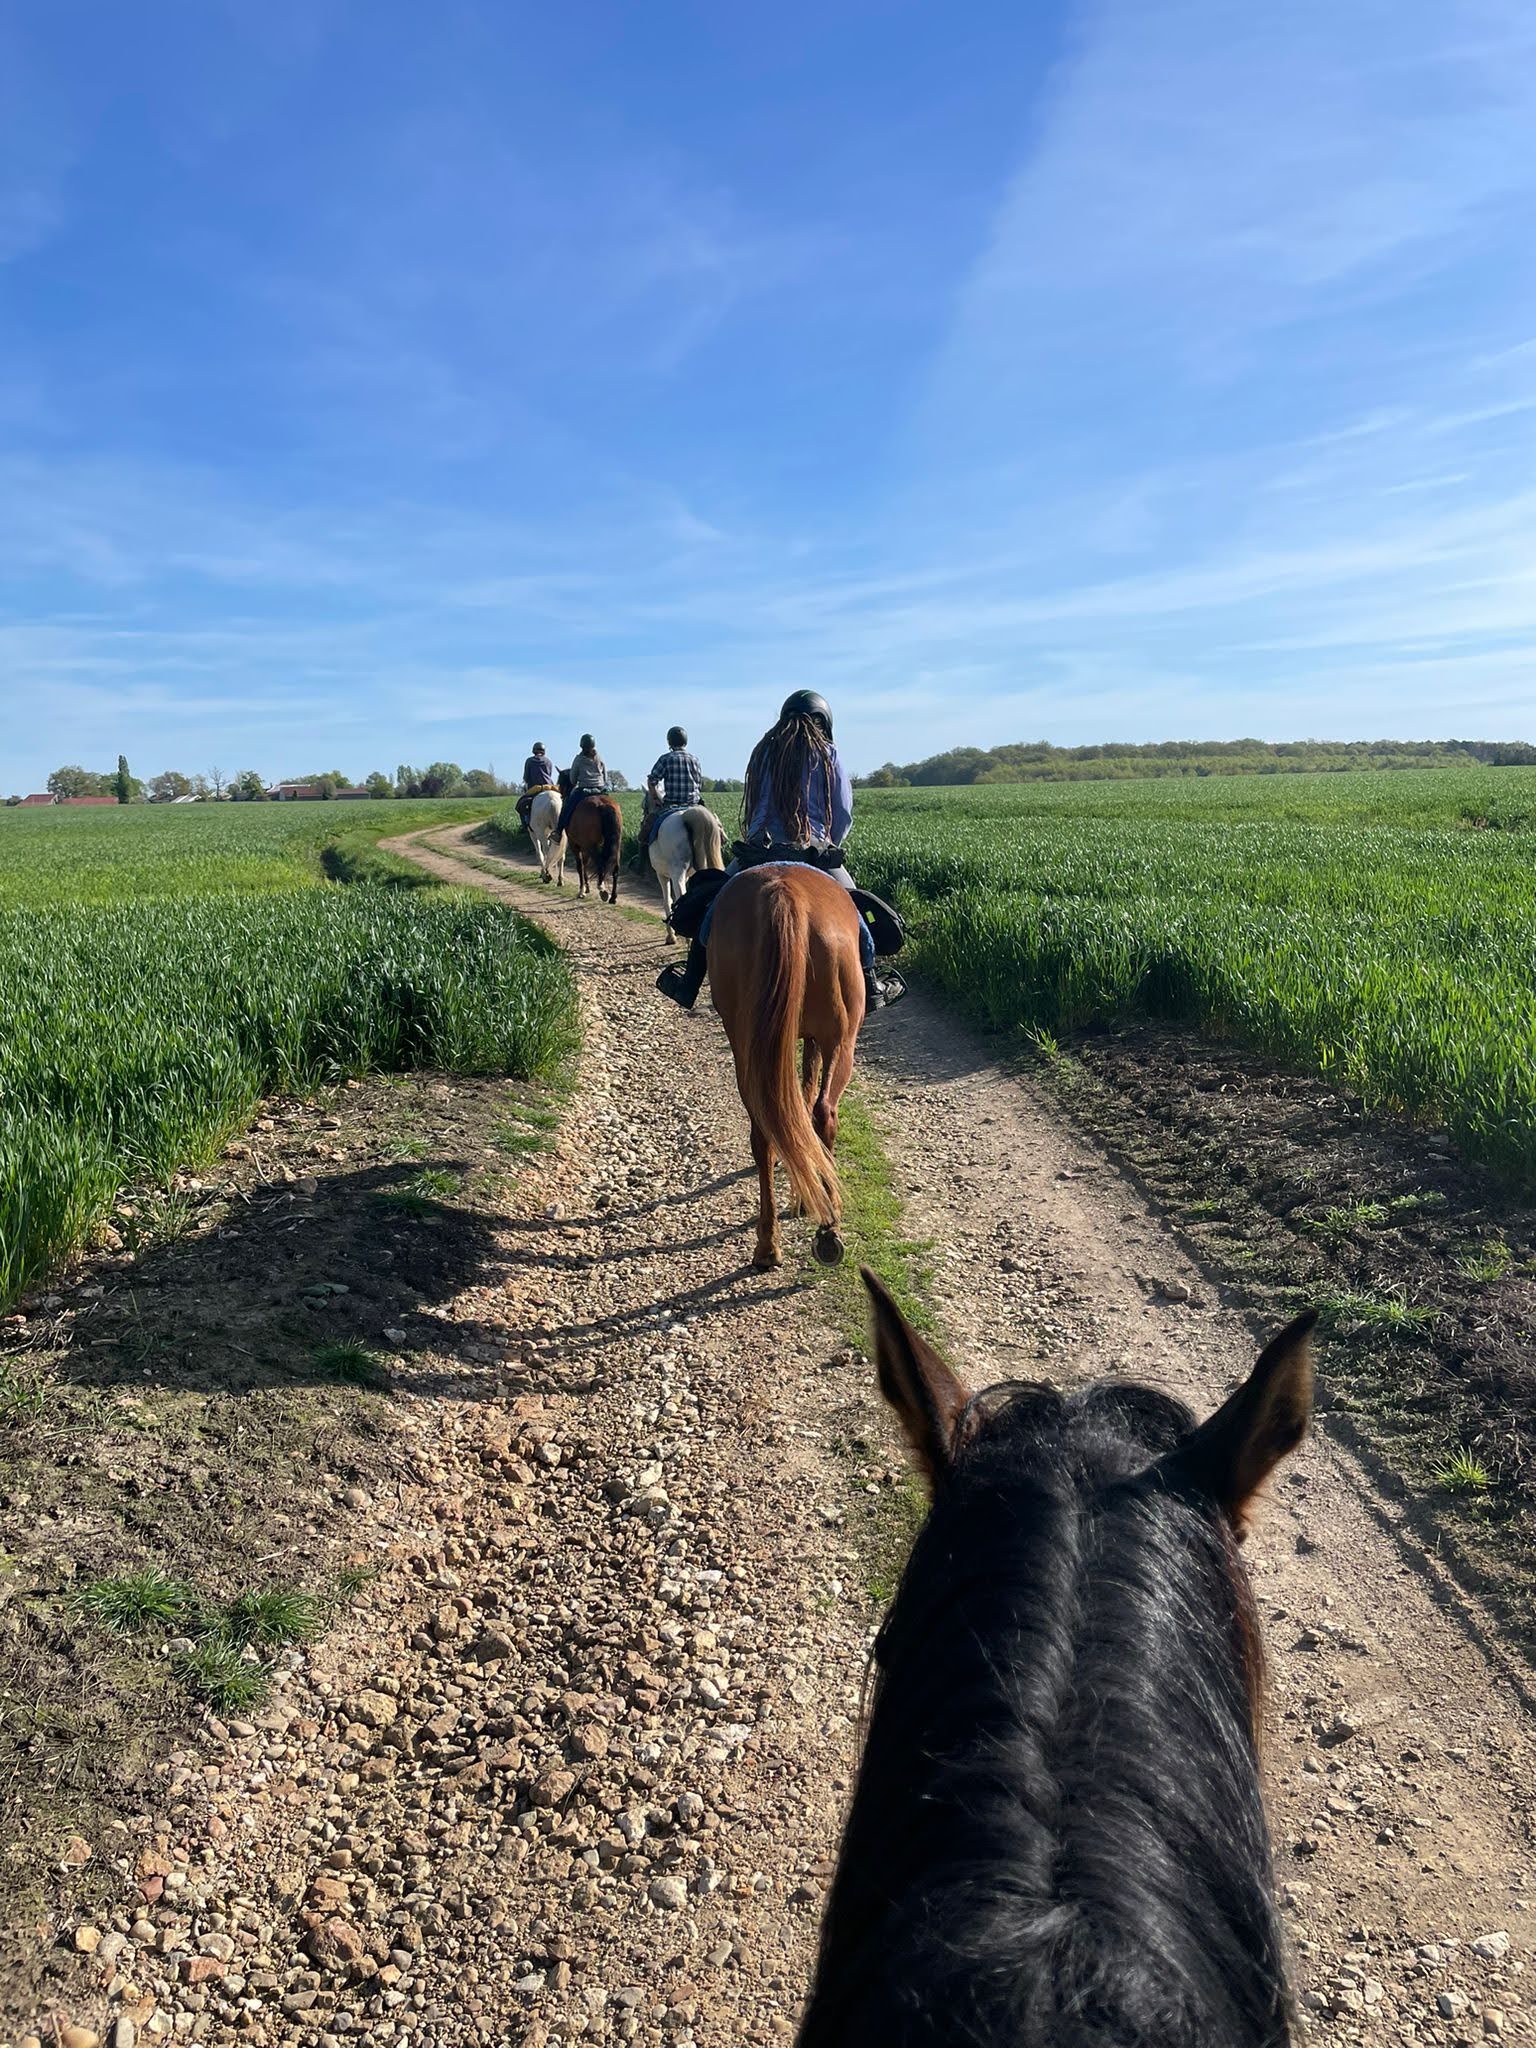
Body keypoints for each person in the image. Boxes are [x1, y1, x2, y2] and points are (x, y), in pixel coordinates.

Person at [656, 690, 903, 1014]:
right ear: (825, 723)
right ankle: (871, 984)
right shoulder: (828, 753)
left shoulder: (763, 753)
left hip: (759, 853)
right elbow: (842, 813)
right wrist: (829, 846)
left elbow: (753, 810)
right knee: (853, 910)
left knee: (713, 908)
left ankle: (690, 980)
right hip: (813, 852)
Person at [635, 725, 703, 869]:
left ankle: (642, 863)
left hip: (672, 804)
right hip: (695, 804)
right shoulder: (695, 759)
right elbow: (699, 784)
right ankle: (721, 838)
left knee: (646, 829)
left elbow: (652, 781)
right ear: (686, 741)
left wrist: (654, 798)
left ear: (669, 742)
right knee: (714, 823)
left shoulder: (666, 759)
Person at [557, 734, 608, 836]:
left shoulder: (578, 759)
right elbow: (605, 776)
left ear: (581, 746)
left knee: (567, 807)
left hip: (584, 790)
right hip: (601, 790)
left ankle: (558, 832)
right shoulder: (600, 758)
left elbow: (572, 780)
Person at [515, 743, 557, 832]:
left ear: (534, 750)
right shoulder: (548, 761)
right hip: (549, 787)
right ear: (544, 751)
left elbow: (526, 777)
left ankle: (525, 824)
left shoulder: (529, 761)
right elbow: (549, 774)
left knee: (520, 805)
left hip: (535, 789)